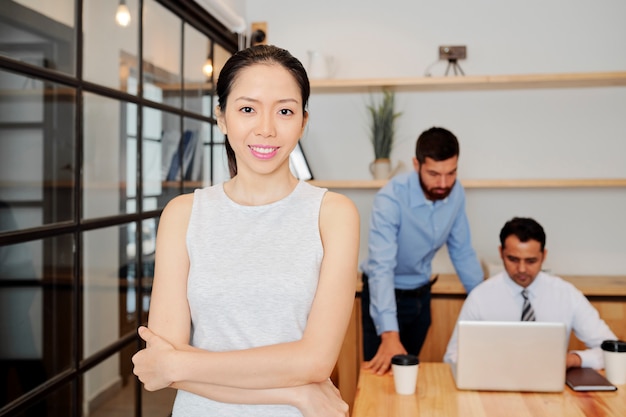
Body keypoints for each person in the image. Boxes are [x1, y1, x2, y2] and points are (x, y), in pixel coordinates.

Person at [131, 45, 360, 417]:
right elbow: (160, 365)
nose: (266, 129)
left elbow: (315, 361)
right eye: (247, 109)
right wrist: (295, 393)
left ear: (303, 121)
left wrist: (180, 364)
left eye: (284, 111)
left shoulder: (333, 215)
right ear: (222, 117)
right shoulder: (183, 214)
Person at [360, 126, 484, 374]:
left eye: (451, 173)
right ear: (416, 164)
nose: (443, 183)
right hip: (385, 297)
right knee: (381, 379)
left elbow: (462, 252)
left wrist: (485, 300)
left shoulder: (455, 192)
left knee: (409, 377)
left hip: (421, 297)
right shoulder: (390, 199)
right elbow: (381, 268)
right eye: (434, 174)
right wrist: (389, 333)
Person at [444, 217, 617, 369]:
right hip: (495, 387)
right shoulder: (480, 297)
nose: (521, 269)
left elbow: (614, 352)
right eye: (513, 259)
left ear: (544, 255)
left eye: (531, 261)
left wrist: (573, 359)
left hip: (552, 390)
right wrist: (487, 362)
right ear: (501, 253)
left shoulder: (566, 294)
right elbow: (452, 357)